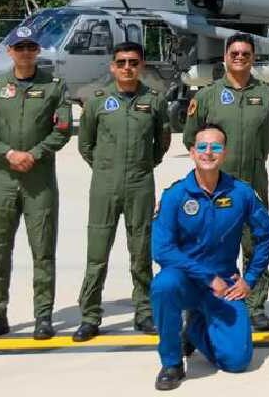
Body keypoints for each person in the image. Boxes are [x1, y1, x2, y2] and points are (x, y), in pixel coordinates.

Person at [150, 123, 269, 391]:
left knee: (237, 361)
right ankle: (172, 362)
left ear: (224, 154)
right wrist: (207, 278)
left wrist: (250, 280)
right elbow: (162, 250)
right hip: (186, 281)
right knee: (163, 285)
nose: (209, 153)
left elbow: (265, 236)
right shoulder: (175, 196)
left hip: (225, 285)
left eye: (216, 147)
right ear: (193, 153)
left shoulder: (240, 193)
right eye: (203, 147)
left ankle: (195, 329)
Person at [182, 32, 269, 331]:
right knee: (212, 244)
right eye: (234, 53)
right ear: (225, 57)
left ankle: (255, 305)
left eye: (245, 54)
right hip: (215, 183)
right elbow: (191, 138)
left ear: (253, 58)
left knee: (255, 242)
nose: (239, 58)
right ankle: (212, 300)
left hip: (253, 181)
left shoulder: (267, 95)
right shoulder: (207, 96)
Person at [73, 42, 171, 341]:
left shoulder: (154, 100)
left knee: (140, 251)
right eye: (122, 62)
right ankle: (90, 315)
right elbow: (85, 144)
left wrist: (142, 166)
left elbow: (161, 143)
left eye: (133, 62)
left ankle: (144, 312)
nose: (127, 67)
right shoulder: (97, 101)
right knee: (97, 253)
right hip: (104, 185)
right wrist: (105, 168)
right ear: (112, 67)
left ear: (141, 66)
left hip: (140, 183)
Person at [0, 26, 72, 340]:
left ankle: (43, 316)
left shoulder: (54, 87)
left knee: (43, 250)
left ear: (37, 51)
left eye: (30, 48)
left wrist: (33, 154)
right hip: (3, 178)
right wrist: (8, 153)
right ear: (9, 51)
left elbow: (62, 130)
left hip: (39, 179)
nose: (25, 53)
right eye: (19, 47)